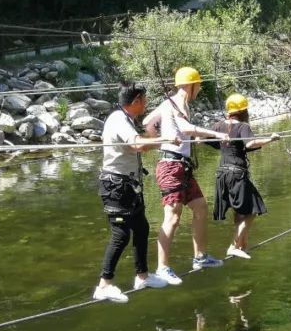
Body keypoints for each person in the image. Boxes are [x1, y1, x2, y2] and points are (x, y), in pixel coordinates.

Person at [144, 67, 232, 286]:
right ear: (190, 85)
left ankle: (200, 257)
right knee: (172, 218)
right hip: (170, 166)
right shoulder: (173, 104)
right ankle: (162, 268)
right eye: (198, 85)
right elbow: (184, 127)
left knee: (201, 207)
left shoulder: (173, 104)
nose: (200, 89)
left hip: (182, 166)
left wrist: (161, 137)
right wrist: (215, 133)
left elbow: (148, 122)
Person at [92, 83, 178, 303]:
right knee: (121, 234)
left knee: (142, 227)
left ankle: (142, 276)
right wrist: (165, 139)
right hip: (116, 187)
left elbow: (138, 146)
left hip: (129, 186)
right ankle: (104, 285)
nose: (146, 104)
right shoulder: (118, 119)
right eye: (145, 100)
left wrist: (157, 141)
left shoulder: (126, 120)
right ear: (137, 100)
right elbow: (137, 144)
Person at [205, 93, 280, 259]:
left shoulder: (218, 126)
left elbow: (205, 140)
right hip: (237, 174)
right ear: (244, 111)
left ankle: (241, 244)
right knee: (254, 209)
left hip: (222, 174)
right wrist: (270, 139)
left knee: (239, 212)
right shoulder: (243, 126)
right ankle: (233, 245)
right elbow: (250, 143)